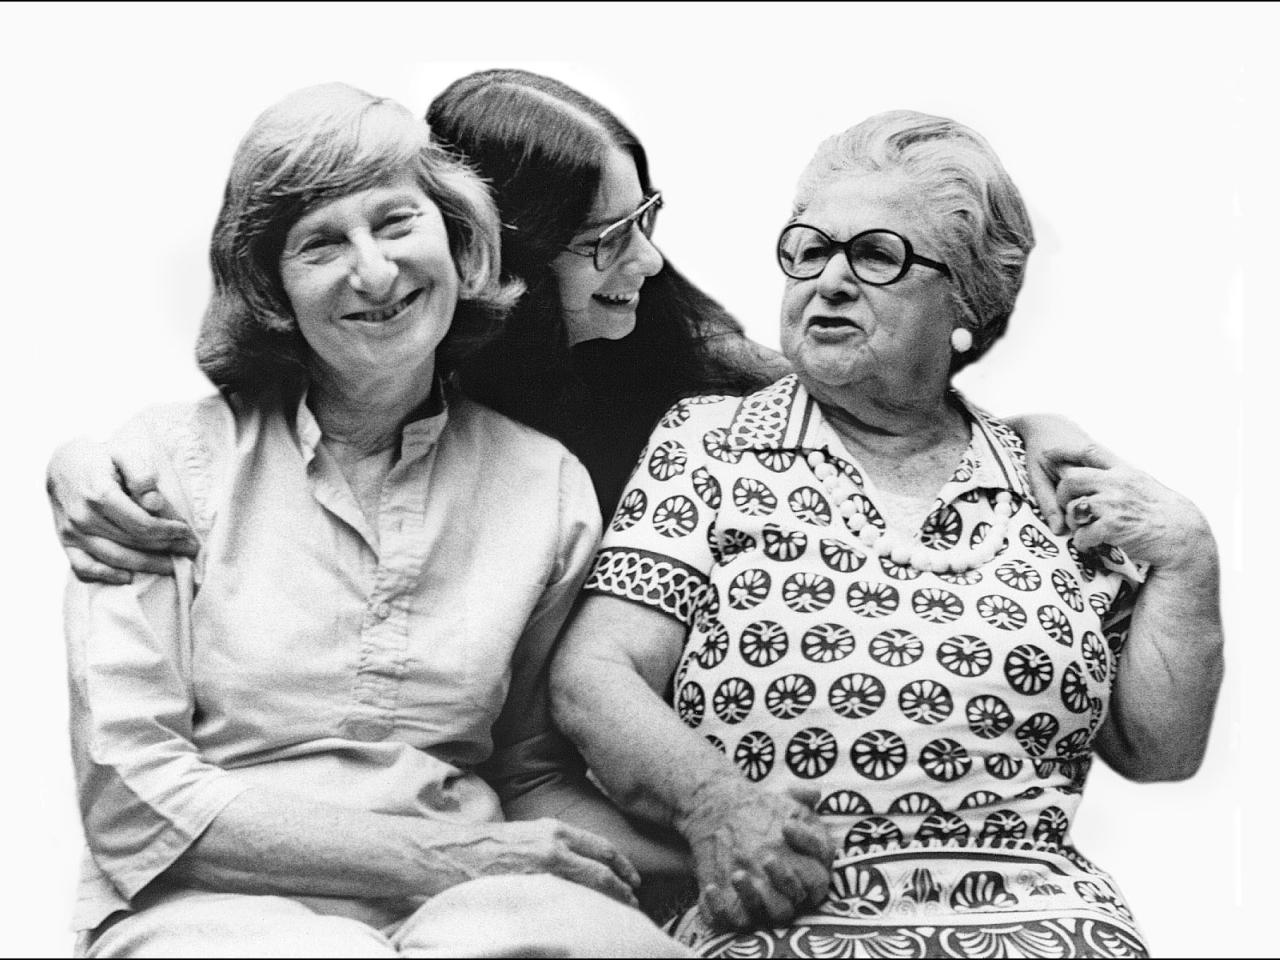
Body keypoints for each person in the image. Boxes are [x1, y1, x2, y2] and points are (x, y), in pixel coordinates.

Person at [550, 109, 1224, 957]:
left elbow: (1160, 749)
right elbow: (595, 675)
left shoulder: (1045, 481)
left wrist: (1190, 555)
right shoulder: (713, 444)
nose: (828, 281)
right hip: (790, 917)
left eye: (875, 256)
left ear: (967, 303)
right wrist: (716, 803)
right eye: (809, 249)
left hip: (1042, 926)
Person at [63, 81, 690, 957]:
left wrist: (727, 836)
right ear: (272, 290)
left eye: (397, 223)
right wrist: (442, 856)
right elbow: (131, 798)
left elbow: (528, 770)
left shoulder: (544, 483)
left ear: (458, 240)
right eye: (322, 243)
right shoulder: (161, 468)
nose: (375, 271)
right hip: (213, 906)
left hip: (476, 900)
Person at [46, 69, 1092, 586]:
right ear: (491, 251)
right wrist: (79, 461)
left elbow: (858, 390)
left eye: (646, 221)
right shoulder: (387, 327)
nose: (644, 261)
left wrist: (1017, 434)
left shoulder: (679, 352)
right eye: (601, 242)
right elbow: (230, 410)